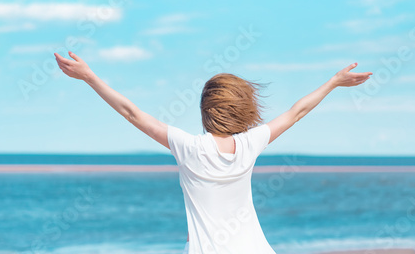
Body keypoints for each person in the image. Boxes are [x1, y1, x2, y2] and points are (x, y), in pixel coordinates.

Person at [54, 51, 372, 253]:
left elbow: (133, 114)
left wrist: (90, 77)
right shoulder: (250, 144)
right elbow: (297, 112)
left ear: (206, 111)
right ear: (244, 109)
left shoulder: (190, 148)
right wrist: (333, 82)